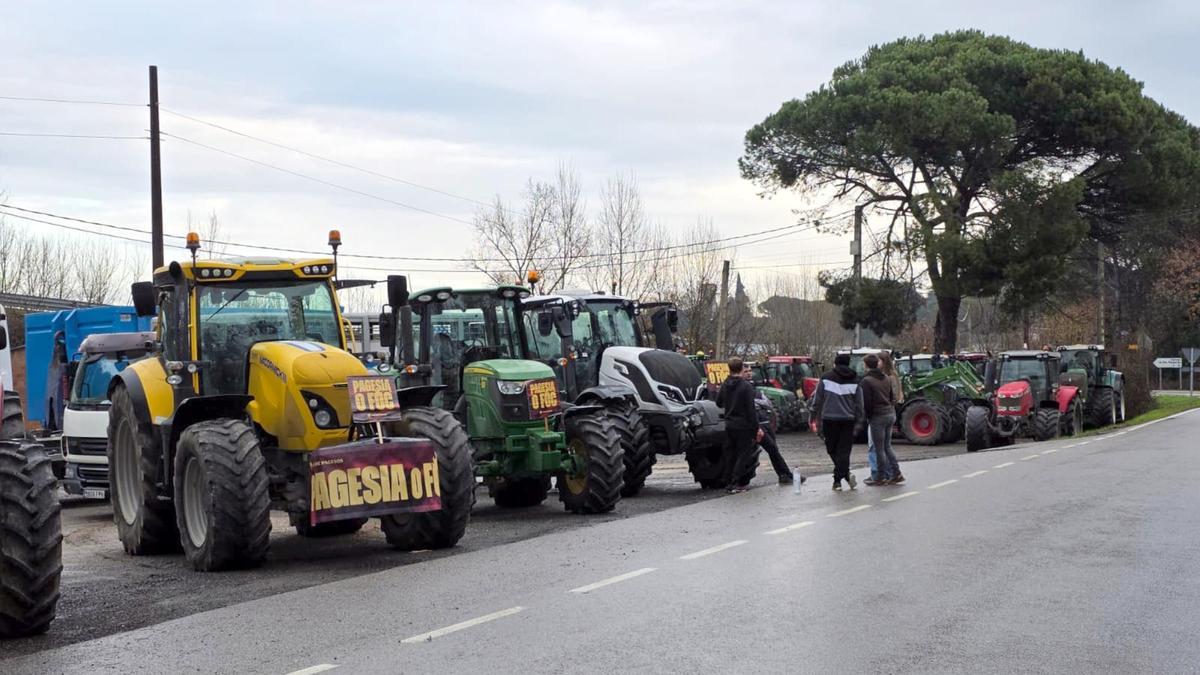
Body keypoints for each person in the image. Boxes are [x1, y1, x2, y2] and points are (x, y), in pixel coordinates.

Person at [811, 353, 864, 491]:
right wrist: (859, 422)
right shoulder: (856, 380)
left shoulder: (826, 378)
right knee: (844, 451)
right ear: (848, 364)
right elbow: (860, 404)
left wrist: (812, 416)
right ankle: (844, 475)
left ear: (835, 363)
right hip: (848, 420)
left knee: (832, 449)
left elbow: (817, 400)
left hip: (829, 419)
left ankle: (838, 480)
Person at [747, 369, 804, 486]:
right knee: (771, 449)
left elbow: (767, 403)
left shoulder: (754, 387)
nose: (749, 373)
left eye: (749, 371)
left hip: (764, 421)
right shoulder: (743, 387)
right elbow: (751, 403)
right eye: (745, 371)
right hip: (756, 424)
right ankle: (786, 474)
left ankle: (784, 475)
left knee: (774, 450)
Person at [716, 357, 762, 493]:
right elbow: (751, 410)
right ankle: (736, 482)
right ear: (741, 368)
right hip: (743, 426)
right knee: (743, 455)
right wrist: (756, 428)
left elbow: (718, 403)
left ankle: (728, 482)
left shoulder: (725, 384)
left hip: (729, 424)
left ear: (729, 369)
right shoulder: (746, 386)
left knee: (730, 454)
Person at [861, 354, 904, 485]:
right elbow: (892, 397)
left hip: (877, 416)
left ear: (867, 365)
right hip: (889, 413)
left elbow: (867, 403)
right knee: (887, 446)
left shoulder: (866, 381)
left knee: (878, 448)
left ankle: (880, 476)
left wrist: (867, 417)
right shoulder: (886, 378)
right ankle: (896, 473)